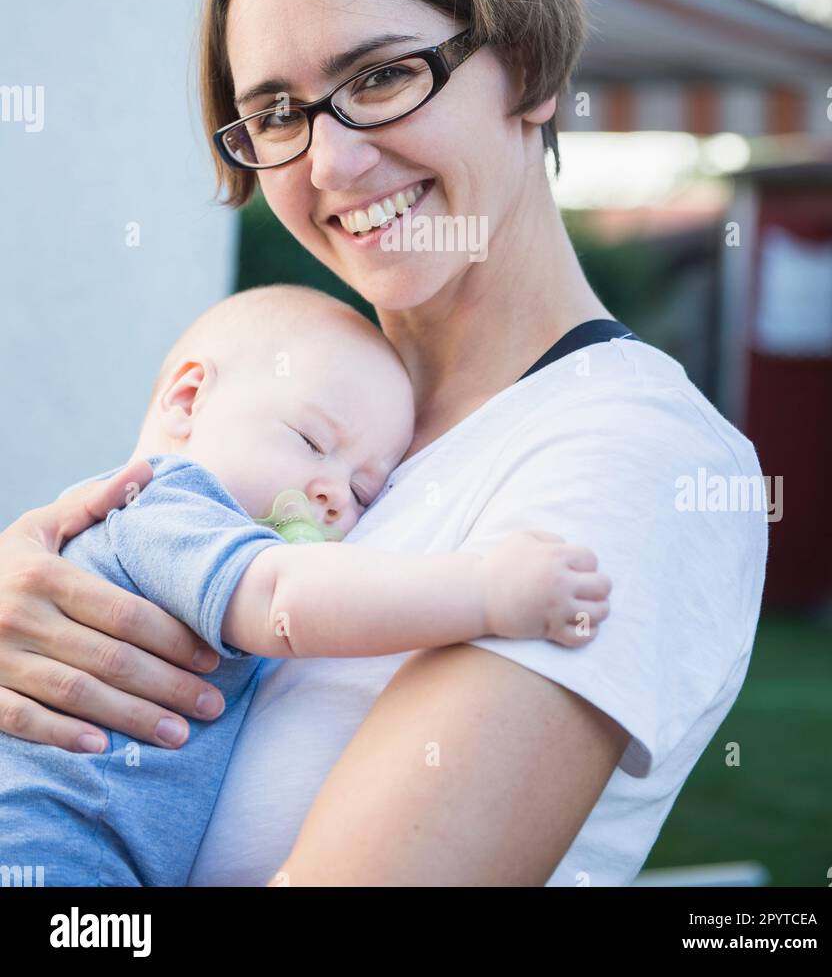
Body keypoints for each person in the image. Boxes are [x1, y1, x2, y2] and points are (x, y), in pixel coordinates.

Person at [0, 0, 768, 887]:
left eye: (381, 76)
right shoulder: (304, 414)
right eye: (275, 112)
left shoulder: (631, 456)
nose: (330, 162)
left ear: (530, 70)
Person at [0, 283, 607, 886]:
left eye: (364, 491)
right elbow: (286, 598)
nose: (333, 495)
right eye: (313, 442)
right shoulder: (169, 505)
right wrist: (488, 592)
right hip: (55, 850)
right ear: (188, 399)